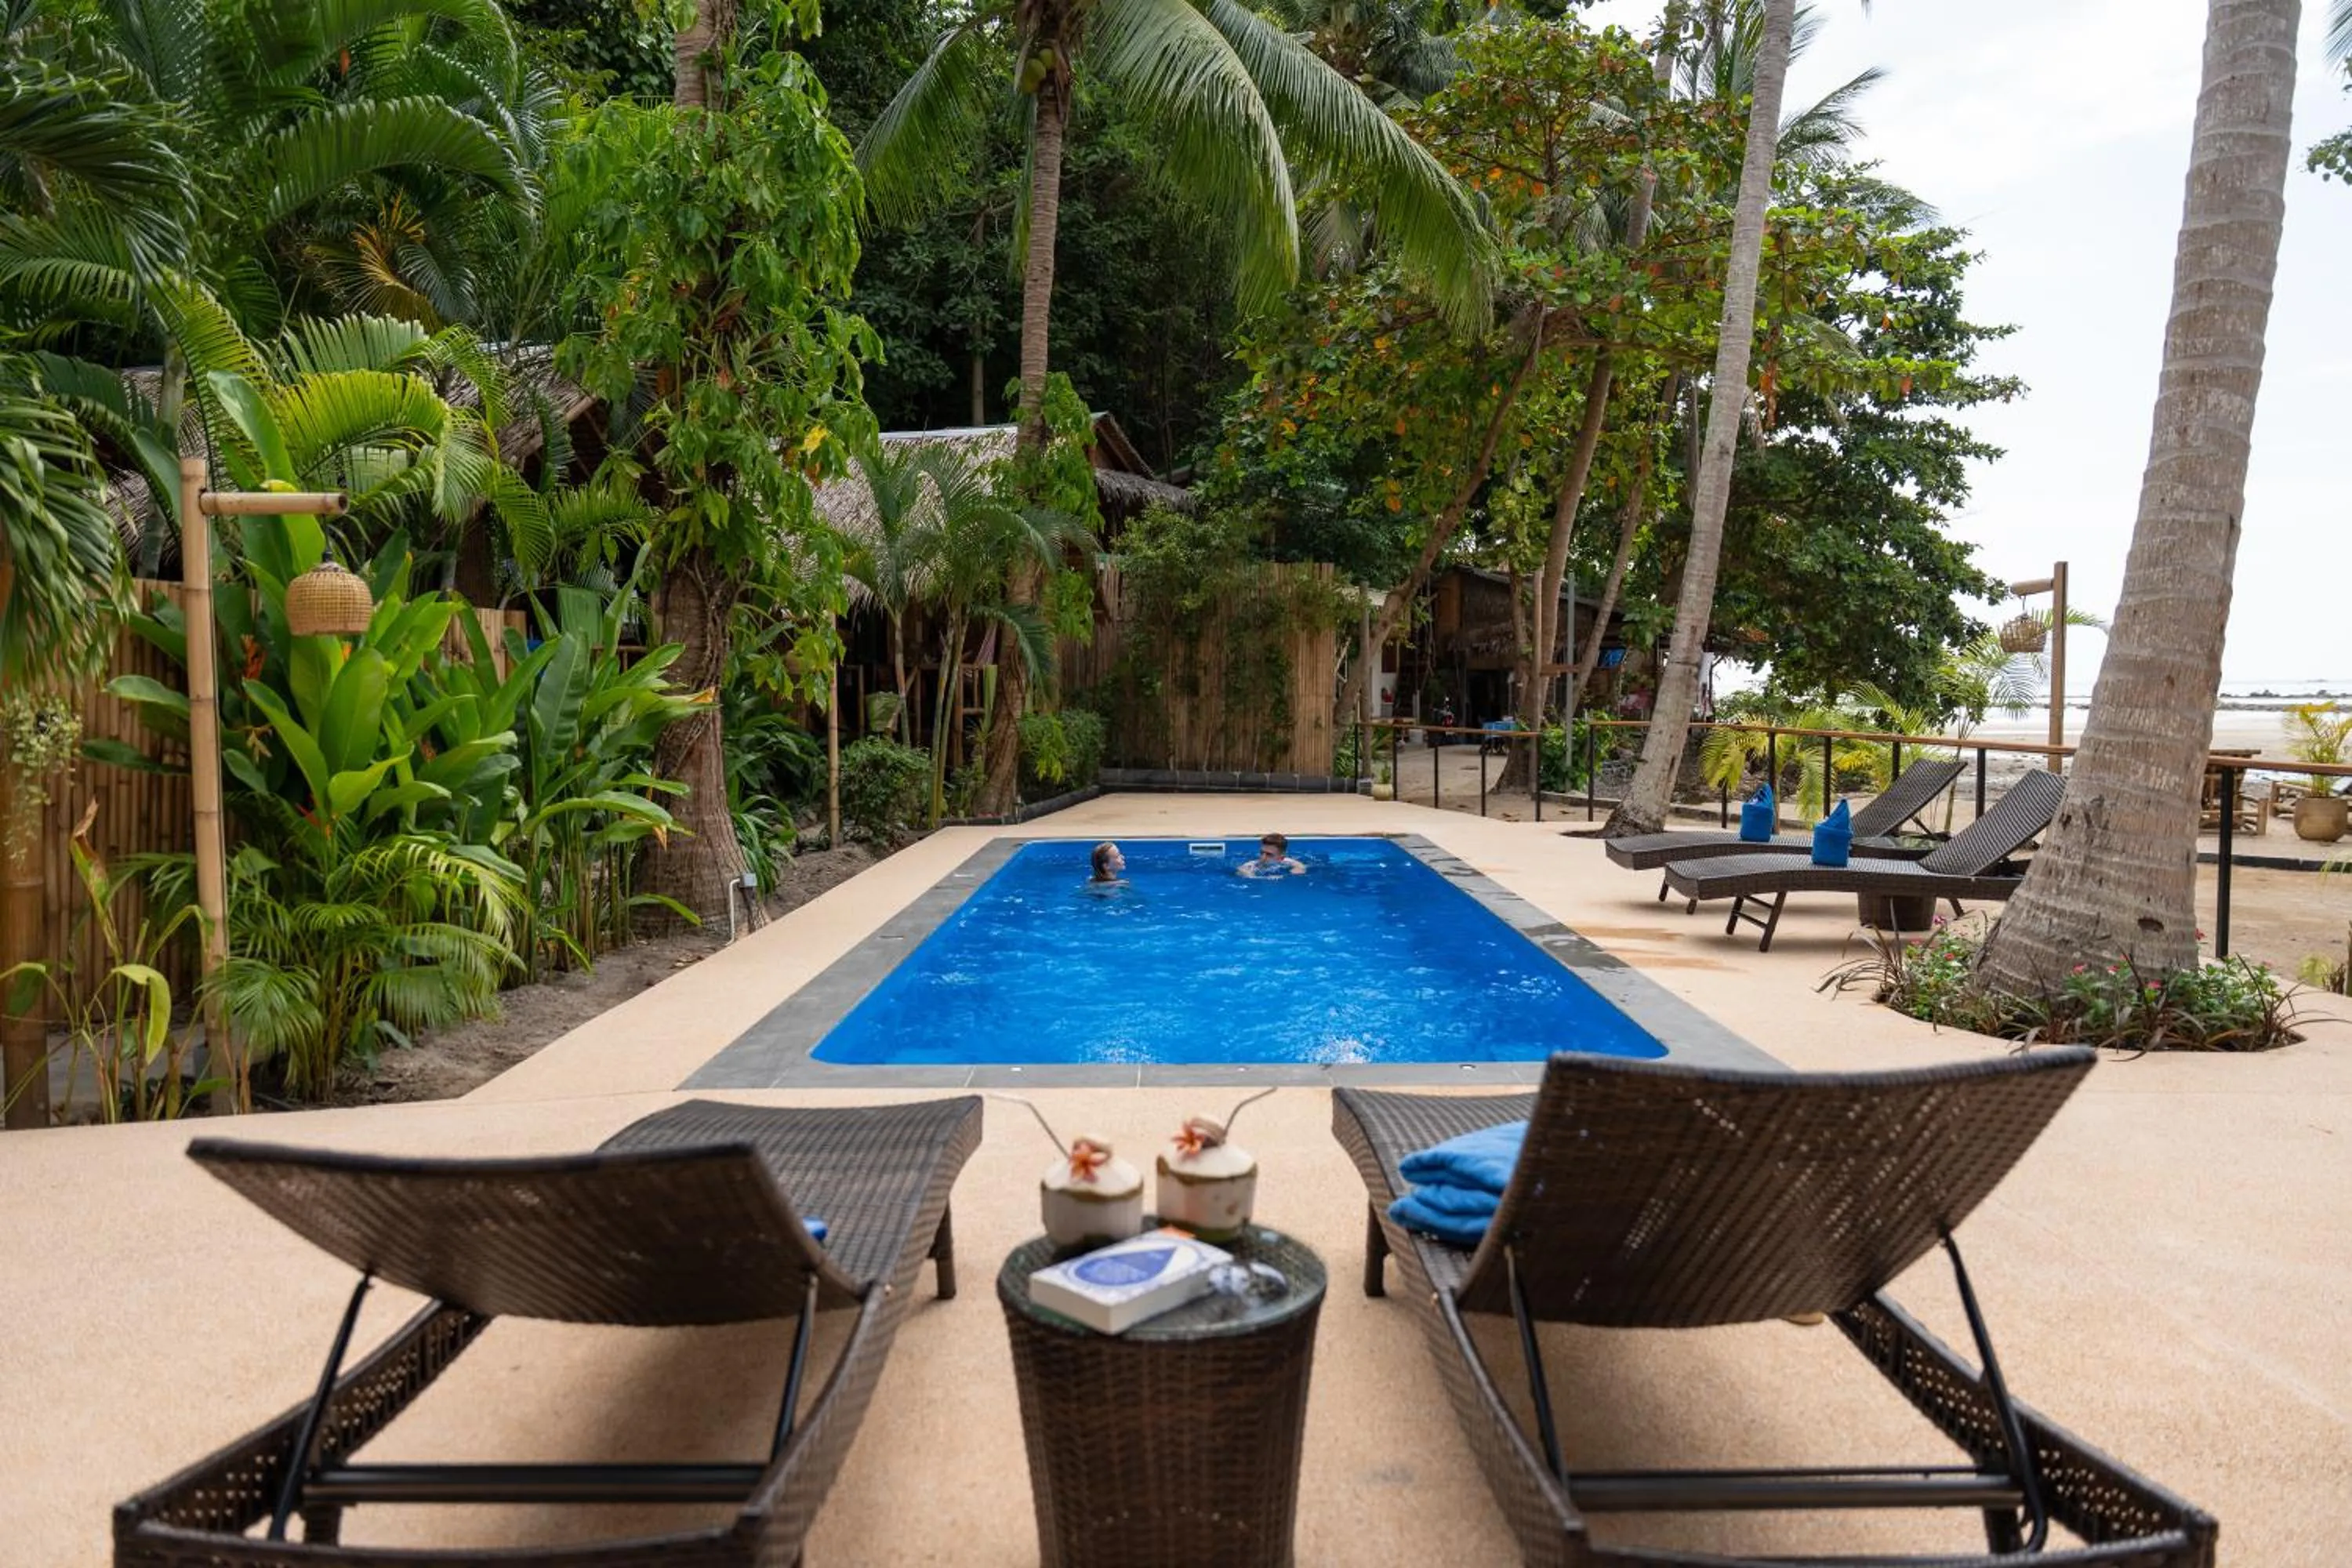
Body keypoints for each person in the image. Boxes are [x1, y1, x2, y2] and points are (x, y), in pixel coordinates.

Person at [1237, 832, 1306, 878]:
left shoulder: (1289, 863)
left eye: (1269, 855)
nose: (1263, 857)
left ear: (1281, 858)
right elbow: (1246, 874)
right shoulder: (1249, 867)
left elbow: (1300, 867)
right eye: (1262, 853)